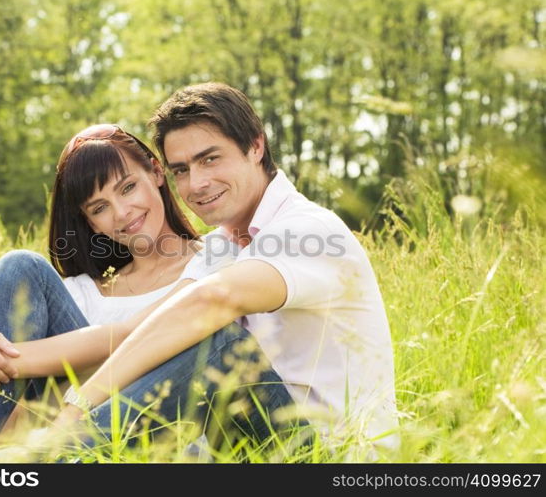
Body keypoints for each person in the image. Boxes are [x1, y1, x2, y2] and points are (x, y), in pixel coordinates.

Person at [25, 82, 399, 459]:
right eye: (182, 170)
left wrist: (76, 408)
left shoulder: (309, 229)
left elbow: (212, 301)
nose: (196, 184)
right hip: (247, 448)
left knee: (214, 344)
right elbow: (146, 328)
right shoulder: (220, 246)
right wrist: (3, 358)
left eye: (210, 159)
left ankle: (51, 460)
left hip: (333, 455)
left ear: (255, 146)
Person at [0, 123, 285, 462]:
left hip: (155, 442)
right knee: (19, 266)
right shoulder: (78, 294)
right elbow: (14, 418)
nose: (121, 212)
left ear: (156, 172)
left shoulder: (218, 258)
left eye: (128, 187)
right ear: (89, 222)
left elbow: (135, 333)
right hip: (67, 442)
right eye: (99, 207)